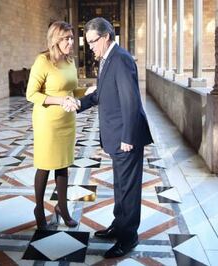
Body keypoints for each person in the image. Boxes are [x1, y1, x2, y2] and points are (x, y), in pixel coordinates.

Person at [76, 17, 153, 258]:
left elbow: (131, 99)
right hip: (116, 135)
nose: (91, 47)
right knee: (120, 186)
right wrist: (80, 103)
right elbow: (102, 93)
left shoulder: (121, 59)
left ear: (106, 36)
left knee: (129, 189)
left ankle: (128, 237)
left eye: (93, 42)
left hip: (125, 137)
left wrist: (128, 137)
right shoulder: (108, 59)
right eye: (88, 43)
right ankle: (118, 226)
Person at [26, 21, 79, 230]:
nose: (71, 42)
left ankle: (62, 208)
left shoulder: (70, 60)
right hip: (47, 122)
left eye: (72, 38)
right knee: (45, 165)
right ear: (55, 39)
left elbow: (71, 91)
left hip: (67, 121)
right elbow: (31, 94)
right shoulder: (43, 61)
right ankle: (39, 209)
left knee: (63, 164)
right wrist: (61, 101)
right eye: (66, 38)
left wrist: (87, 92)